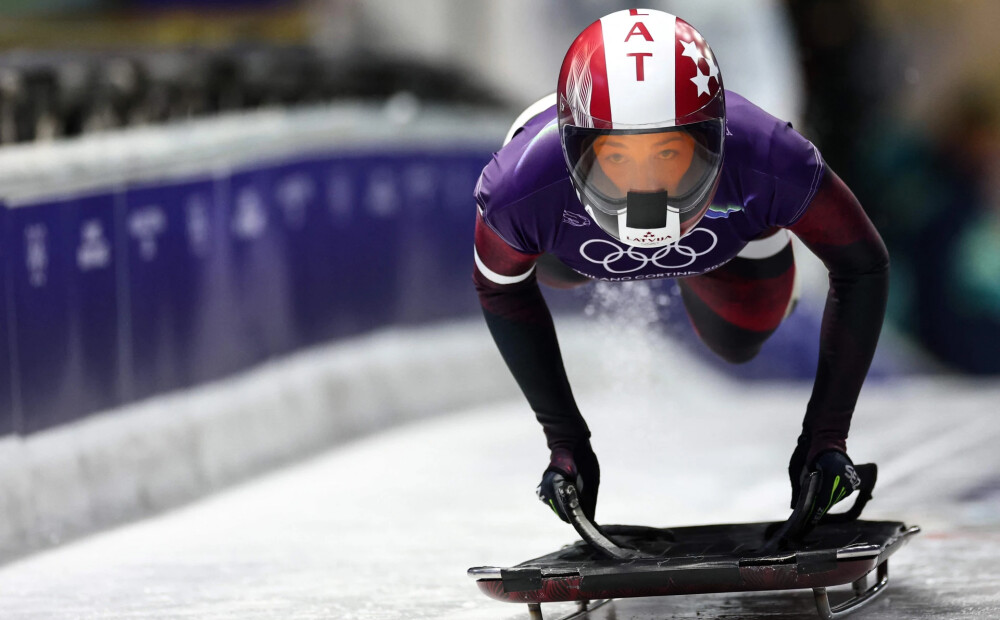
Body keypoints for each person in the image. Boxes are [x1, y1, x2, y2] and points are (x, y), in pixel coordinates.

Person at [472, 9, 888, 527]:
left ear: (716, 139)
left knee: (739, 340)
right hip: (683, 239)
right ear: (571, 148)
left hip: (705, 239)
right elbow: (500, 290)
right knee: (542, 256)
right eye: (618, 158)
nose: (646, 190)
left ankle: (741, 269)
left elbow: (863, 265)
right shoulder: (520, 187)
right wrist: (566, 439)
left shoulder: (772, 155)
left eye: (668, 153)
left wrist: (826, 436)